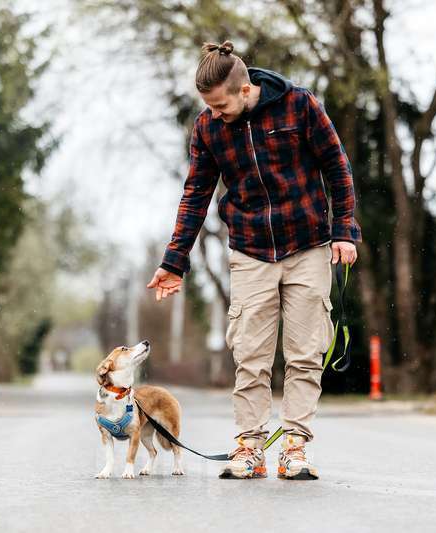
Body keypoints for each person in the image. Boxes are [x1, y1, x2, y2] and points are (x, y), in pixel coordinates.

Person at [147, 40, 361, 480]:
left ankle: (295, 447)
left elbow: (337, 168)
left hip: (308, 244)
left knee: (305, 353)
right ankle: (250, 447)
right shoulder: (208, 128)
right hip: (250, 250)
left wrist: (344, 229)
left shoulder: (299, 106)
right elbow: (196, 194)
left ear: (245, 90)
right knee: (250, 355)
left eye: (221, 106)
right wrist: (174, 260)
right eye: (208, 107)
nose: (214, 114)